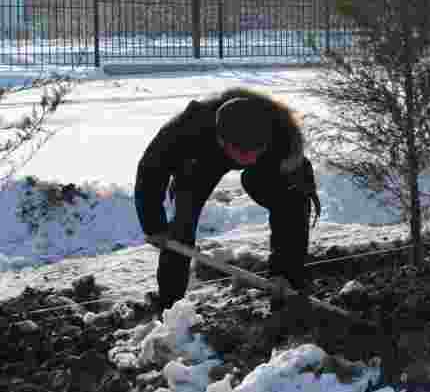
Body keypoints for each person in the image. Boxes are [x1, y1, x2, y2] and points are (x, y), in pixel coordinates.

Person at [135, 87, 320, 312]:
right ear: (222, 141)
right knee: (182, 225)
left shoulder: (282, 138)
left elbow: (294, 210)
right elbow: (150, 170)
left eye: (253, 151)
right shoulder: (188, 129)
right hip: (202, 158)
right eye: (241, 152)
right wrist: (153, 225)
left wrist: (286, 271)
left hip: (266, 161)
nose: (248, 157)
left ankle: (286, 289)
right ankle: (170, 306)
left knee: (288, 200)